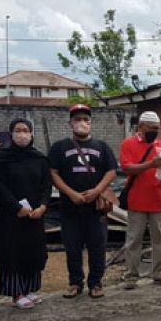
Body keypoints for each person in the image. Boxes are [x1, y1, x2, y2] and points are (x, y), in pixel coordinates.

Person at [49, 104, 117, 300]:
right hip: (70, 208)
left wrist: (97, 191)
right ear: (70, 123)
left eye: (86, 119)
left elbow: (111, 171)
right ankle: (74, 283)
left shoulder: (102, 147)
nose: (82, 123)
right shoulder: (59, 147)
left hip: (96, 209)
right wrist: (71, 193)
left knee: (98, 246)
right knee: (72, 247)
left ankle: (95, 283)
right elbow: (53, 173)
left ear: (91, 123)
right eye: (77, 119)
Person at [0, 119, 51, 309]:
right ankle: (16, 293)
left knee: (33, 252)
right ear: (11, 133)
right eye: (18, 130)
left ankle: (29, 289)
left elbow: (46, 186)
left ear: (32, 133)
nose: (22, 134)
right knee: (13, 254)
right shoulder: (1, 158)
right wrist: (16, 207)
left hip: (34, 216)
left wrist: (42, 206)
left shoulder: (39, 158)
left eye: (25, 130)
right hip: (11, 217)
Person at [120, 111, 161, 290]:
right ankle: (131, 275)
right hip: (137, 200)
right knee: (134, 239)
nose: (155, 132)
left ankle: (159, 272)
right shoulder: (128, 144)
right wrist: (150, 164)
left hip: (158, 199)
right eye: (152, 128)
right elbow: (127, 169)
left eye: (157, 129)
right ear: (141, 126)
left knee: (159, 239)